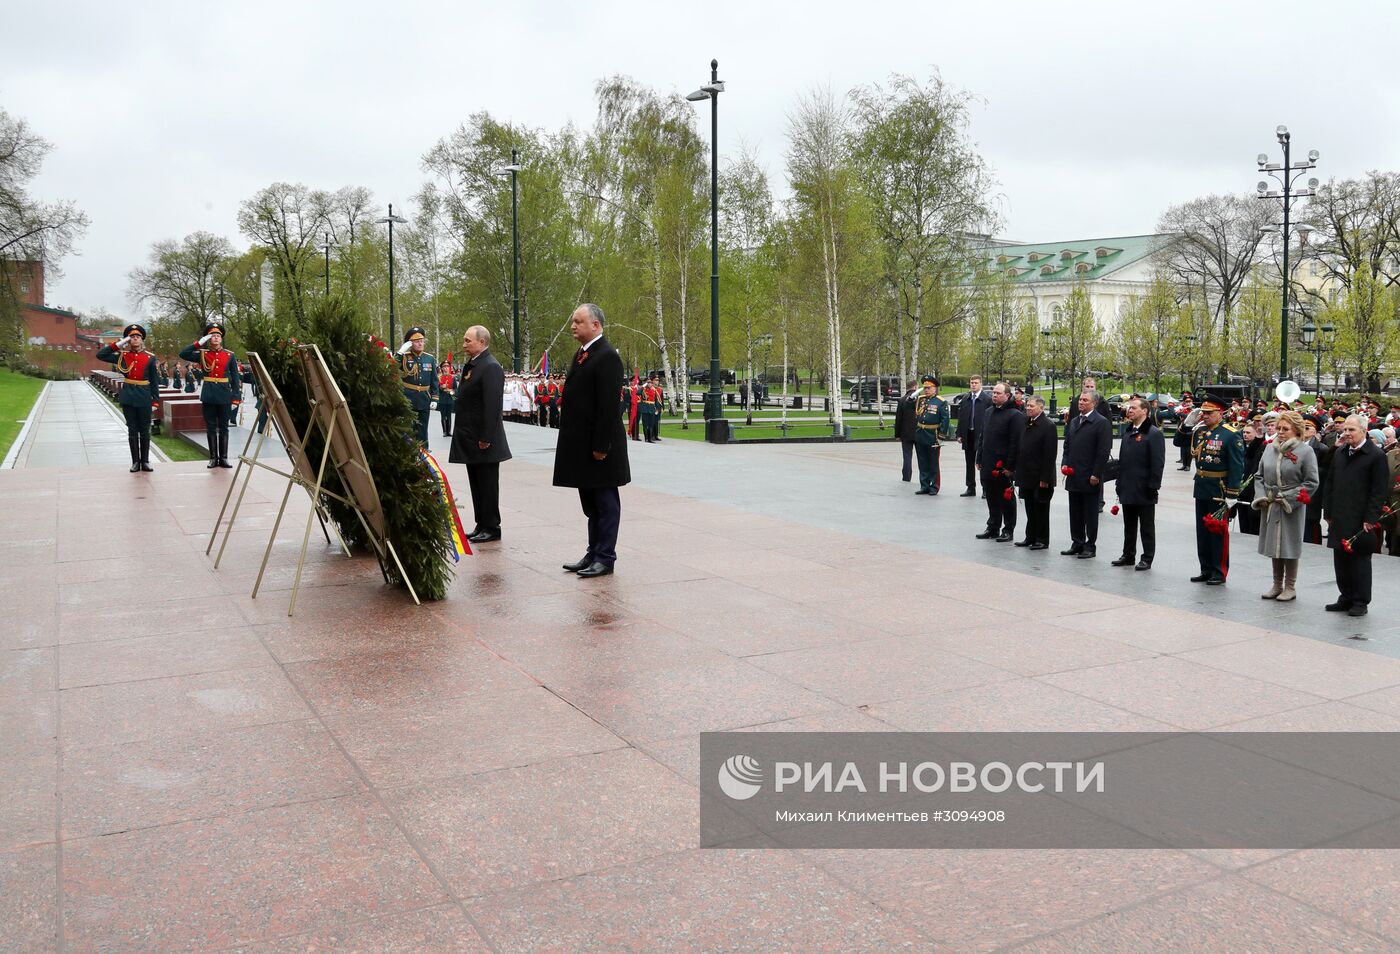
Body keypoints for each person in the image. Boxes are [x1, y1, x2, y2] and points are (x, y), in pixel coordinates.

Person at [554, 304, 630, 578]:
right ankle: (593, 552)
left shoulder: (607, 356)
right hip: (582, 444)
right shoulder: (584, 354)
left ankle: (606, 557)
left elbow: (608, 407)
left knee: (605, 502)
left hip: (601, 447)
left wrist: (601, 446)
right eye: (573, 321)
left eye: (578, 321)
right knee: (591, 503)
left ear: (595, 325)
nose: (573, 326)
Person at [1323, 414, 1390, 617]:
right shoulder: (1341, 452)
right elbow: (1330, 483)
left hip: (1361, 518)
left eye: (1351, 430)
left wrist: (1371, 518)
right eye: (1345, 429)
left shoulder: (1376, 456)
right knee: (1340, 559)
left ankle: (1360, 601)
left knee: (1360, 560)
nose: (1347, 433)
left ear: (1364, 430)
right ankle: (1346, 597)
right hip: (1340, 515)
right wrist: (1328, 511)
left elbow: (1379, 491)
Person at [449, 326, 511, 543]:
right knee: (476, 483)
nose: (464, 345)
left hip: (484, 439)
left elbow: (492, 406)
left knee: (487, 484)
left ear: (482, 342)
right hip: (471, 437)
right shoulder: (476, 364)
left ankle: (492, 526)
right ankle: (481, 524)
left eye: (468, 341)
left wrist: (486, 437)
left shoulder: (490, 367)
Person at [1252, 411, 1319, 602]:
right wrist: (1262, 496)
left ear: (1296, 431)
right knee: (1275, 544)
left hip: (1291, 506)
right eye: (1279, 428)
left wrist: (1289, 497)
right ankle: (1276, 584)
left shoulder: (1306, 451)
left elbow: (1311, 482)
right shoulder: (1269, 449)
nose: (1280, 432)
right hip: (1271, 504)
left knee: (1289, 544)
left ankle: (1290, 586)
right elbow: (1259, 476)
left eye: (1285, 429)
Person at [1189, 393, 1245, 585]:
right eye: (1203, 412)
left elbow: (1237, 466)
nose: (1204, 415)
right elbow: (1181, 443)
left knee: (1217, 532)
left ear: (1220, 413)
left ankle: (1219, 571)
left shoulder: (1230, 434)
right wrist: (1186, 425)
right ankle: (1205, 568)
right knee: (1202, 531)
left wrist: (1232, 492)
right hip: (1202, 487)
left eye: (1209, 412)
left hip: (1219, 490)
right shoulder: (1201, 431)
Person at [96, 323, 161, 473]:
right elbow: (101, 355)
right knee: (132, 430)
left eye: (137, 337)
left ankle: (145, 461)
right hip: (129, 397)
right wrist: (119, 344)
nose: (135, 339)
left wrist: (155, 401)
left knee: (144, 430)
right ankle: (135, 462)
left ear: (142, 340)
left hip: (144, 396)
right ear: (128, 340)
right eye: (132, 337)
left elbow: (154, 381)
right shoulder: (122, 356)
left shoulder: (150, 358)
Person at [179, 322, 242, 469]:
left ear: (221, 339)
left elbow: (235, 377)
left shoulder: (229, 355)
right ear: (208, 338)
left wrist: (236, 397)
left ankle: (224, 458)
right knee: (211, 427)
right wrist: (199, 343)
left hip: (225, 395)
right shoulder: (203, 354)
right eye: (212, 335)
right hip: (209, 395)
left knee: (224, 427)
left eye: (218, 335)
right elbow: (183, 354)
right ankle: (213, 458)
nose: (215, 338)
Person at [1112, 397, 1165, 570]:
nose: (1130, 410)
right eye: (1129, 408)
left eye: (1134, 407)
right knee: (1129, 524)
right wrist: (1119, 483)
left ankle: (1147, 558)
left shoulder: (1153, 433)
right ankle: (1128, 555)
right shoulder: (1128, 432)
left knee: (1147, 526)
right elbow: (1123, 461)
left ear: (1145, 411)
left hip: (1144, 488)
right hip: (1128, 486)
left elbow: (1158, 463)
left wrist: (1153, 486)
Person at [1061, 390, 1112, 558]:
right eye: (1080, 399)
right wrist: (1065, 463)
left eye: (1085, 400)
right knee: (1075, 512)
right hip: (1074, 474)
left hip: (1090, 476)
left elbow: (1103, 451)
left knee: (1090, 513)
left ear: (1094, 403)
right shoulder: (1075, 421)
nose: (1080, 402)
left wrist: (1096, 473)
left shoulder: (1101, 422)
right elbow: (1067, 446)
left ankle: (1090, 546)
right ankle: (1077, 542)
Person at [974, 381, 1024, 541]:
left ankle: (1008, 529)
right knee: (991, 496)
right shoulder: (988, 412)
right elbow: (983, 437)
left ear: (1007, 396)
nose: (994, 395)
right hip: (988, 463)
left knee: (1006, 497)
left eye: (998, 393)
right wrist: (979, 457)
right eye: (993, 393)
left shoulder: (1015, 415)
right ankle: (993, 526)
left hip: (1003, 465)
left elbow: (1015, 443)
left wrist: (1010, 466)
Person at [1015, 394, 1058, 550]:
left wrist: (1045, 477)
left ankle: (1041, 539)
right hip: (1026, 474)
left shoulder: (1048, 426)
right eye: (1027, 405)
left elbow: (1049, 455)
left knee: (1040, 508)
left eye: (1031, 406)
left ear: (1041, 407)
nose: (1028, 408)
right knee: (1029, 508)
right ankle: (1030, 536)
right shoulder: (1026, 423)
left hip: (1040, 476)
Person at [397, 327, 438, 445]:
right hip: (408, 399)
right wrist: (399, 353)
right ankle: (409, 454)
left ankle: (424, 456)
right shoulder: (404, 357)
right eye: (417, 341)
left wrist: (435, 398)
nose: (420, 343)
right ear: (410, 343)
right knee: (409, 429)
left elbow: (434, 380)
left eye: (422, 340)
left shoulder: (429, 358)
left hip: (424, 399)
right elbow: (392, 367)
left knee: (423, 430)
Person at [911, 375, 949, 496]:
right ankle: (924, 485)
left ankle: (934, 486)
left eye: (929, 388)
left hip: (933, 435)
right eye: (925, 388)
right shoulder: (921, 399)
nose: (926, 390)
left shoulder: (941, 402)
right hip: (921, 433)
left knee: (933, 462)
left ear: (935, 388)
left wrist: (941, 436)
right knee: (922, 462)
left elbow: (945, 420)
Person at [956, 375, 992, 497]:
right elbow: (961, 417)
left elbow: (990, 418)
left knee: (982, 462)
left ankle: (986, 489)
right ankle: (970, 487)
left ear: (980, 384)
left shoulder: (987, 399)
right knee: (969, 462)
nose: (973, 385)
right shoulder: (966, 398)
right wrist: (959, 433)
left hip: (982, 435)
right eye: (971, 383)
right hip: (968, 434)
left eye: (976, 383)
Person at [1235, 422, 1266, 535]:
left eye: (1248, 432)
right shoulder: (1239, 445)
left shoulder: (1259, 446)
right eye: (1244, 432)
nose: (1245, 435)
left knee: (1252, 524)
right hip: (1240, 488)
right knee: (1242, 520)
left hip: (1251, 490)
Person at [894, 380, 920, 482]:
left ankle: (906, 477)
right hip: (919, 432)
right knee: (921, 458)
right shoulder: (920, 400)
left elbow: (898, 419)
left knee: (907, 457)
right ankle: (923, 479)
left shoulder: (902, 400)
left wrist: (897, 434)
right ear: (915, 387)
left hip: (905, 433)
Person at [437, 362, 456, 436]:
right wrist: (441, 387)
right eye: (444, 366)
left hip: (450, 399)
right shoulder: (439, 377)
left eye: (447, 366)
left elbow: (455, 389)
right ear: (441, 368)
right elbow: (436, 389)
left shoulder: (452, 377)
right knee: (443, 415)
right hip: (442, 399)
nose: (446, 368)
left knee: (449, 415)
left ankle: (449, 431)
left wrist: (451, 391)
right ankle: (444, 431)